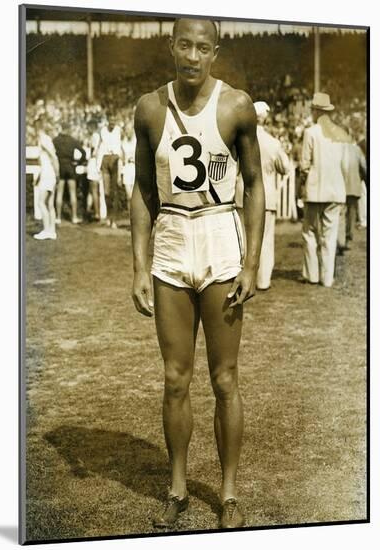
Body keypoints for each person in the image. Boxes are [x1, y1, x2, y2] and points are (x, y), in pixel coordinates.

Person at [130, 18, 265, 530]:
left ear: (215, 52)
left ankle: (228, 493)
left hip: (218, 239)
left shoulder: (235, 106)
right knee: (174, 379)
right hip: (171, 239)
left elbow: (254, 184)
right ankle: (178, 487)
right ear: (171, 46)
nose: (192, 55)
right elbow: (143, 190)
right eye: (183, 44)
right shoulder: (148, 107)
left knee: (225, 378)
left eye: (202, 47)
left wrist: (250, 263)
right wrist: (139, 265)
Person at [300, 92, 348, 287]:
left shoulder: (310, 133)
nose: (311, 112)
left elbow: (304, 163)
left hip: (315, 190)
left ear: (317, 111)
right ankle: (327, 278)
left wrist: (304, 178)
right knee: (330, 234)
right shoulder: (340, 133)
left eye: (312, 109)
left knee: (310, 233)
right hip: (336, 189)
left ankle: (312, 275)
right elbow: (344, 164)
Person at [254, 101, 290, 290]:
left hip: (244, 195)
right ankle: (263, 280)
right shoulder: (272, 142)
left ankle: (245, 278)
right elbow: (285, 168)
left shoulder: (241, 139)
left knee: (244, 238)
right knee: (266, 239)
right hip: (266, 195)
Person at [337, 135, 367, 252]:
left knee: (340, 213)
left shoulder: (337, 149)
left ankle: (340, 240)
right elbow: (364, 167)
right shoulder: (357, 150)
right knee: (351, 213)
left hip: (340, 186)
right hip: (354, 186)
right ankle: (348, 237)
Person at [53, 122, 86, 224]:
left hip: (60, 166)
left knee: (59, 193)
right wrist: (77, 163)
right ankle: (74, 217)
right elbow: (83, 153)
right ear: (68, 129)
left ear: (61, 128)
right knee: (72, 193)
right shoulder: (72, 140)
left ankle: (58, 217)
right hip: (70, 167)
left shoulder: (55, 140)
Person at [33, 117, 59, 240]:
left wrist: (57, 173)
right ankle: (51, 231)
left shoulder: (43, 139)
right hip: (48, 173)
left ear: (38, 128)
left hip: (48, 174)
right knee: (49, 203)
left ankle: (47, 230)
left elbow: (54, 157)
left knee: (41, 202)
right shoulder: (46, 139)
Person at [97, 113, 123, 228]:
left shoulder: (118, 130)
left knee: (115, 191)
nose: (112, 123)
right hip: (105, 159)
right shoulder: (102, 131)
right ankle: (108, 216)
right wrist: (98, 164)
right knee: (106, 192)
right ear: (107, 120)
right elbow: (99, 147)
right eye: (110, 120)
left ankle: (114, 219)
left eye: (114, 120)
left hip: (116, 159)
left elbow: (121, 146)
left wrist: (121, 160)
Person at [121, 122, 137, 213]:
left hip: (136, 168)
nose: (127, 132)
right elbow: (122, 159)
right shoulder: (123, 143)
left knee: (135, 196)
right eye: (126, 130)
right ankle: (130, 218)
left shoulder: (137, 141)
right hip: (127, 169)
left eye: (129, 129)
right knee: (128, 196)